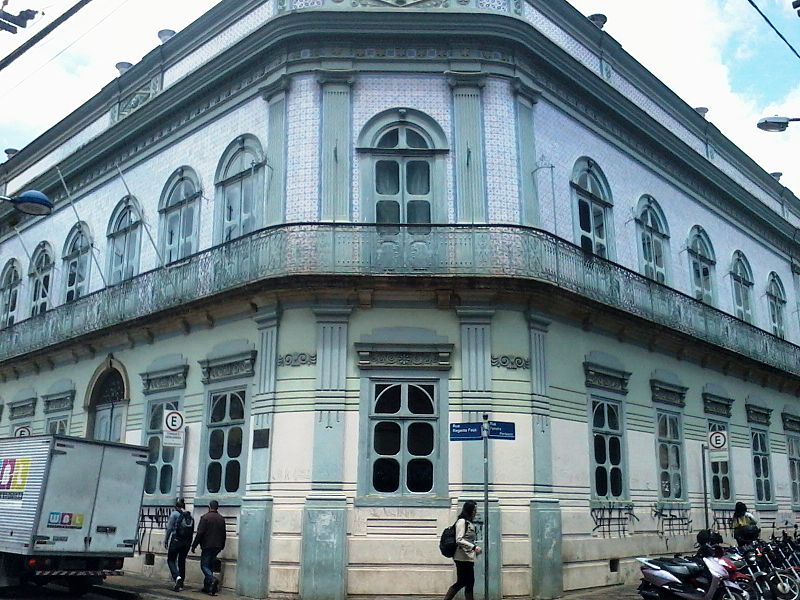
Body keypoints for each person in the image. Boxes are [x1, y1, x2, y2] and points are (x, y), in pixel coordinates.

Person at [443, 500, 482, 600]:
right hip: (461, 557)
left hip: (467, 557)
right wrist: (473, 547)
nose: (475, 512)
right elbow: (459, 539)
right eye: (474, 510)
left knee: (469, 582)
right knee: (463, 582)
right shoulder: (462, 522)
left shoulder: (468, 522)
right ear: (469, 510)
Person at [191, 500, 227, 595]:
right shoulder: (221, 519)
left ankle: (212, 579)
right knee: (210, 565)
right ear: (217, 507)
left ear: (209, 507)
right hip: (217, 546)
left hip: (207, 545)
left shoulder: (205, 518)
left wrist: (194, 545)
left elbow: (200, 533)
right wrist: (222, 545)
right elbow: (224, 534)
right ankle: (208, 587)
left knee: (204, 565)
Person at [164, 498, 193, 592]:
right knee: (181, 561)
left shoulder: (174, 514)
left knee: (171, 560)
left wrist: (166, 540)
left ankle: (177, 577)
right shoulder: (189, 516)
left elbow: (169, 528)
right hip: (186, 542)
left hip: (176, 540)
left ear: (176, 506)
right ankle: (181, 584)